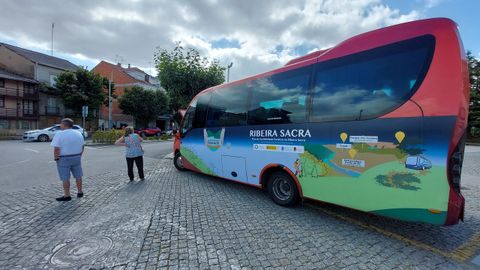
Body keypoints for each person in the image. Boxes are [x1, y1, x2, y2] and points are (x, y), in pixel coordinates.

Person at [51, 118, 85, 201]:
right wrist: (79, 155)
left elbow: (56, 148)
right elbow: (82, 146)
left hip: (64, 158)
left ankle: (67, 195)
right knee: (78, 175)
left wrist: (56, 158)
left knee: (65, 177)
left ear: (65, 125)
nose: (60, 125)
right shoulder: (78, 133)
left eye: (61, 124)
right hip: (76, 156)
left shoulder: (59, 134)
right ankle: (80, 192)